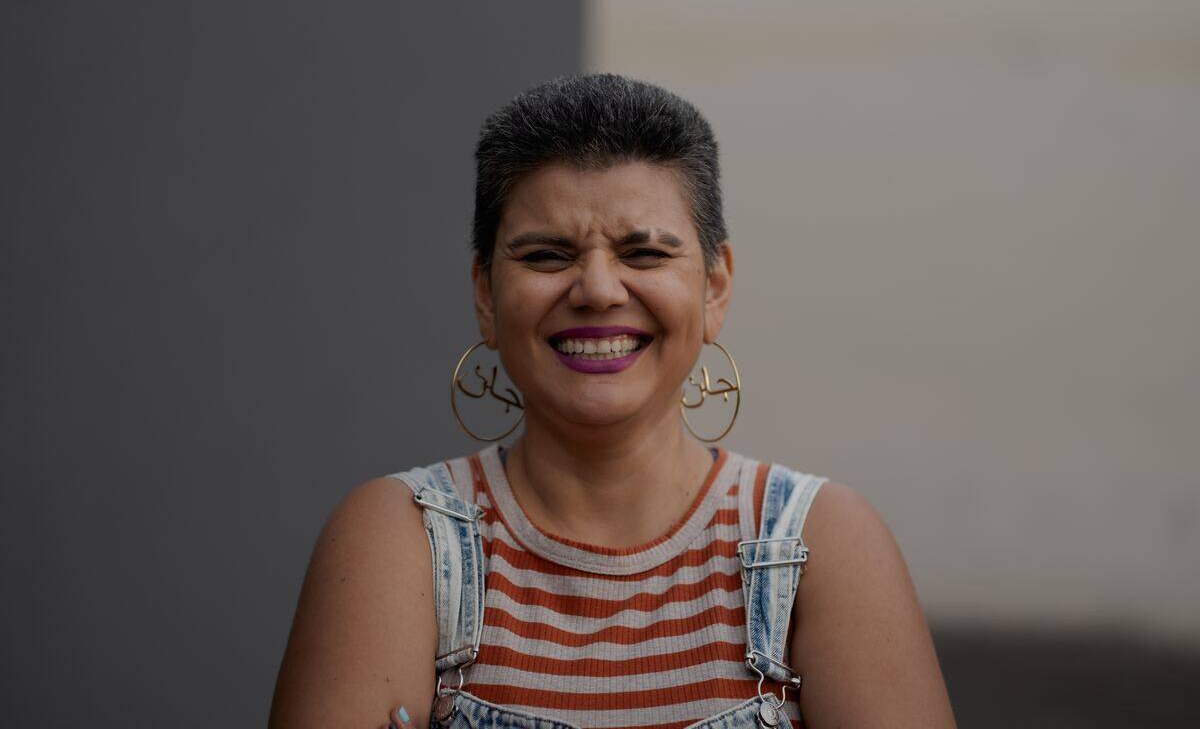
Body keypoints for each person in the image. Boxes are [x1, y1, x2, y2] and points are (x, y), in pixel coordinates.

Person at [269, 74, 956, 728]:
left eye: (644, 254)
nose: (597, 290)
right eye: (546, 256)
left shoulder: (819, 544)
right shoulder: (401, 539)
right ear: (485, 294)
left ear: (714, 286)